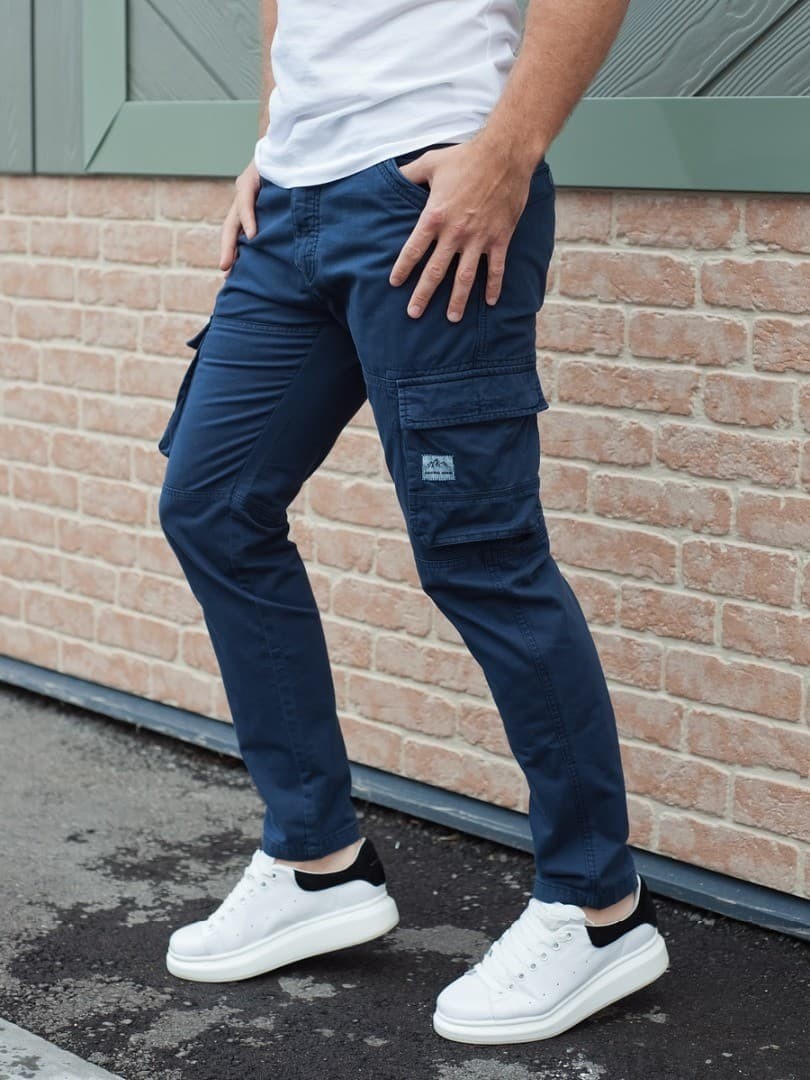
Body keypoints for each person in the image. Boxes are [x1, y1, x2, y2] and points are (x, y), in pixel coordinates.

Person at [157, 0, 670, 1044]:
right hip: (289, 204)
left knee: (480, 555)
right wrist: (275, 136)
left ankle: (597, 907)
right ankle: (318, 862)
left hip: (428, 190)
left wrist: (507, 153)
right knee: (211, 506)